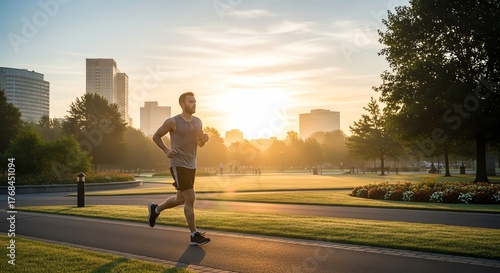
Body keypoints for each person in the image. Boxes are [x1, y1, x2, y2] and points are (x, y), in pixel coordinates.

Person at [148, 92, 210, 246]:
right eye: (191, 102)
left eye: (195, 101)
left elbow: (199, 142)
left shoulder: (198, 122)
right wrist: (166, 150)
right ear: (183, 104)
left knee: (180, 199)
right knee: (191, 198)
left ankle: (155, 210)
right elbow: (156, 136)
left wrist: (204, 141)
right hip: (178, 164)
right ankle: (194, 235)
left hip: (191, 165)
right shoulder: (172, 122)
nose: (194, 104)